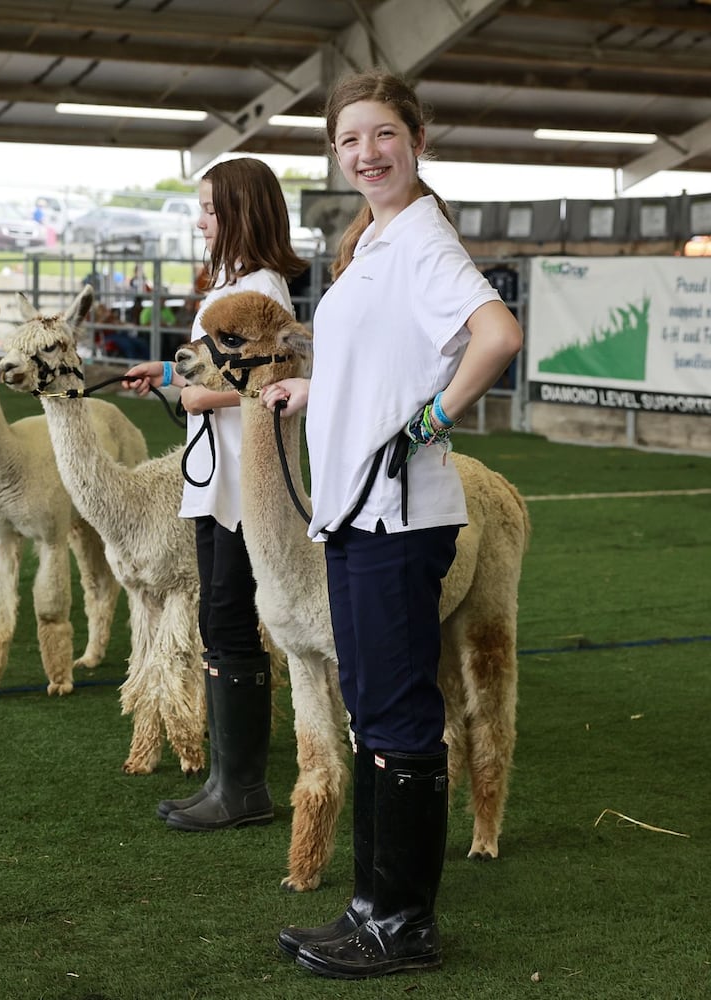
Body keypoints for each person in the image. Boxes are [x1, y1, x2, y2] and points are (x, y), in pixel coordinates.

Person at [260, 70, 523, 980]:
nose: (366, 154)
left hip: (398, 516)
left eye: (382, 136)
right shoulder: (373, 241)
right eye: (348, 141)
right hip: (356, 513)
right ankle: (372, 906)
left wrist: (428, 424)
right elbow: (379, 359)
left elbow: (497, 335)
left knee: (398, 716)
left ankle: (403, 924)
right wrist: (313, 387)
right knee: (374, 711)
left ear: (416, 139)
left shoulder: (421, 240)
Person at [122, 157, 307, 833]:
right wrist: (169, 374)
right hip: (219, 473)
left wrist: (191, 391)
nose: (201, 221)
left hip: (244, 479)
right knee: (221, 618)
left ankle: (243, 788)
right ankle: (230, 779)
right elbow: (211, 368)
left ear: (241, 212)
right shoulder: (236, 284)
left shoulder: (261, 287)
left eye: (210, 208)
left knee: (229, 617)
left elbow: (266, 375)